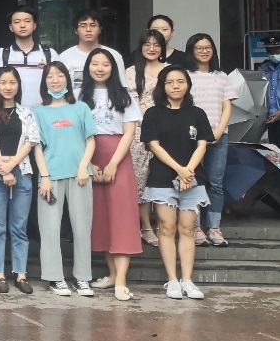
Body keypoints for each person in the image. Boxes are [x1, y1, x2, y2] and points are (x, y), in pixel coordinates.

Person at [142, 65, 213, 300]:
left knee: (187, 229)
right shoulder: (153, 114)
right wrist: (180, 170)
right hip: (162, 178)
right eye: (170, 82)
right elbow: (154, 145)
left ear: (188, 85)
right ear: (162, 86)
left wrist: (188, 172)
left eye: (180, 81)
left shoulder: (197, 113)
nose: (175, 86)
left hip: (192, 179)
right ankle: (172, 280)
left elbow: (202, 145)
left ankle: (187, 280)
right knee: (166, 227)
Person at [82, 48, 143, 301]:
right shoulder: (79, 96)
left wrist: (113, 164)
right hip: (89, 156)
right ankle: (111, 274)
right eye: (94, 63)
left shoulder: (124, 95)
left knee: (122, 218)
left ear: (113, 68)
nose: (99, 68)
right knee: (101, 219)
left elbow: (129, 133)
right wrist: (89, 164)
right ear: (87, 67)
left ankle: (121, 280)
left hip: (118, 156)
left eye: (105, 64)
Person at [32, 62, 96, 297]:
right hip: (51, 176)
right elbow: (37, 147)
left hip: (80, 175)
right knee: (50, 229)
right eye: (50, 76)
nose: (55, 80)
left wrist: (83, 167)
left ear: (67, 79)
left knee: (82, 228)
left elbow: (91, 140)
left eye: (60, 75)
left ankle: (82, 278)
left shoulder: (81, 108)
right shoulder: (38, 112)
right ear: (45, 82)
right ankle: (55, 278)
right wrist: (44, 176)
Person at [0, 64, 39, 295]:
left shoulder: (26, 112)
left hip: (21, 171)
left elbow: (31, 141)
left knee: (19, 227)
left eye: (12, 82)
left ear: (18, 85)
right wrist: (3, 168)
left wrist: (12, 166)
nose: (8, 87)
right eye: (3, 82)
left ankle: (21, 275)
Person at [186, 34, 236, 247]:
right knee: (194, 181)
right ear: (191, 51)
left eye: (208, 47)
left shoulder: (221, 76)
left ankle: (214, 228)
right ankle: (196, 228)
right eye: (199, 48)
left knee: (216, 183)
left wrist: (219, 131)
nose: (204, 51)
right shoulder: (186, 75)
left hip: (218, 137)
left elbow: (227, 107)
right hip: (192, 138)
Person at [125, 30, 168, 246]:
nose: (151, 48)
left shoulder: (170, 71)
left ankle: (163, 225)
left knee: (161, 179)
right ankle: (145, 227)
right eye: (147, 44)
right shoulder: (131, 72)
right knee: (140, 180)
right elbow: (129, 104)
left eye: (156, 45)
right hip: (138, 132)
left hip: (165, 131)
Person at [0, 6, 59, 108]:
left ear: (34, 25)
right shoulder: (1, 55)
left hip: (44, 112)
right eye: (17, 22)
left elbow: (58, 85)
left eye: (27, 21)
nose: (22, 25)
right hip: (12, 113)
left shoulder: (49, 54)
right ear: (11, 27)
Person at [59, 10, 125, 96]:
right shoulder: (64, 58)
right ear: (75, 30)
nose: (88, 29)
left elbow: (122, 86)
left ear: (100, 29)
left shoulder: (114, 56)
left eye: (93, 25)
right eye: (83, 26)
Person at [264, 35, 280, 147]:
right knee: (274, 152)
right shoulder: (264, 68)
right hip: (271, 119)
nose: (274, 54)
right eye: (270, 51)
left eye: (277, 51)